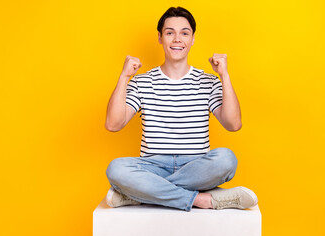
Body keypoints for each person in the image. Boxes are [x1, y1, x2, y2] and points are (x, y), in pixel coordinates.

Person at [104, 6, 258, 211]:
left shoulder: (207, 81)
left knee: (226, 159)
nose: (177, 39)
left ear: (192, 38)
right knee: (116, 169)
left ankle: (142, 194)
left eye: (184, 33)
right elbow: (113, 124)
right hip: (153, 167)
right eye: (170, 33)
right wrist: (124, 77)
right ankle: (199, 199)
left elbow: (234, 124)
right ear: (160, 38)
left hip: (196, 167)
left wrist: (225, 76)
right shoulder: (142, 82)